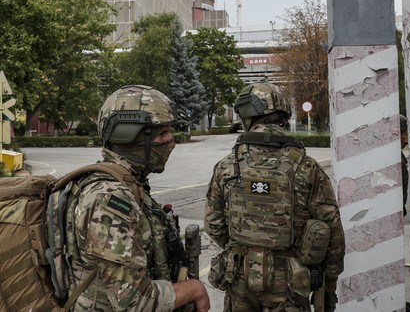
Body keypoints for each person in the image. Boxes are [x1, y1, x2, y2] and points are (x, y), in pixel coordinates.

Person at [64, 85, 210, 311]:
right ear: (129, 135)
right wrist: (193, 289)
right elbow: (132, 301)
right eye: (161, 134)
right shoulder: (108, 200)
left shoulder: (131, 184)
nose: (170, 141)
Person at [205, 83, 345, 312]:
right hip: (290, 282)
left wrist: (244, 247)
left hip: (239, 277)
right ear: (282, 115)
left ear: (247, 117)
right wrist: (329, 284)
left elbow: (213, 224)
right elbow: (332, 229)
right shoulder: (306, 166)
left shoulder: (227, 166)